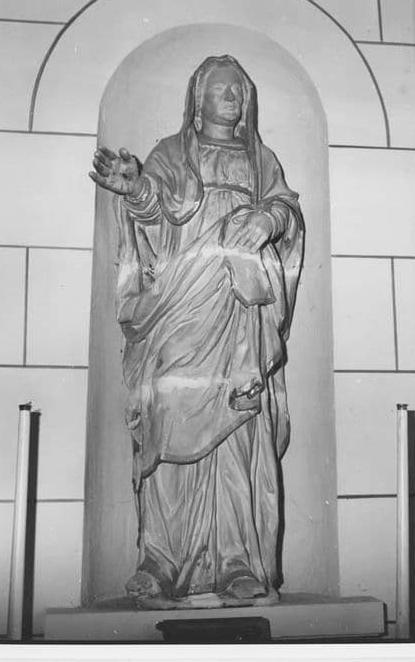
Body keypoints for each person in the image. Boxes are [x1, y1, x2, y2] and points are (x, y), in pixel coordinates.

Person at [89, 55, 305, 607]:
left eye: (239, 89)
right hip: (181, 308)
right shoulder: (170, 154)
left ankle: (237, 562)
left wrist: (269, 218)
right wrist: (135, 188)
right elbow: (153, 217)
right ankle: (160, 562)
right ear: (197, 99)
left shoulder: (260, 159)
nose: (232, 96)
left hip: (236, 313)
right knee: (167, 420)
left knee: (236, 429)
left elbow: (287, 210)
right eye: (221, 89)